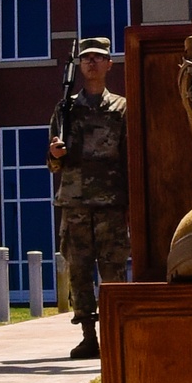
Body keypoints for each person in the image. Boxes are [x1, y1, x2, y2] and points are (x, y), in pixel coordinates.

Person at [48, 36, 129, 359]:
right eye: (86, 59)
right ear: (79, 66)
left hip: (111, 201)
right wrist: (54, 153)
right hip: (75, 201)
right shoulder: (66, 108)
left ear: (109, 64)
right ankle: (87, 335)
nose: (91, 63)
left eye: (97, 58)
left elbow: (129, 155)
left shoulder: (122, 107)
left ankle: (116, 331)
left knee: (113, 270)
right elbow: (53, 162)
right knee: (79, 270)